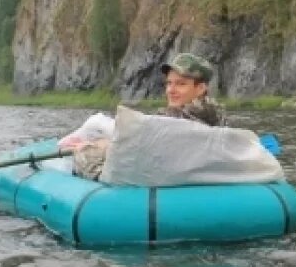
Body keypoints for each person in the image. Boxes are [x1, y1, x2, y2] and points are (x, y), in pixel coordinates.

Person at [70, 52, 226, 179]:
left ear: (200, 89)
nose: (171, 90)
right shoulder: (218, 118)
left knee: (84, 155)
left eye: (180, 84)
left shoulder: (172, 120)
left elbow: (135, 152)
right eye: (169, 83)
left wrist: (96, 148)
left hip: (164, 180)